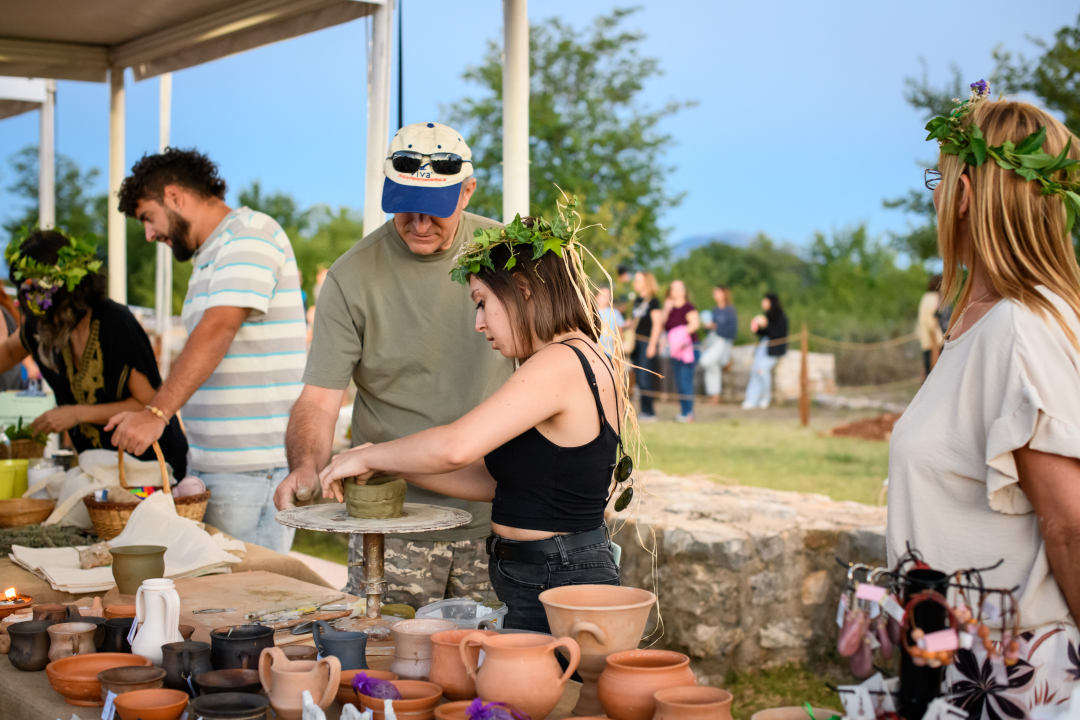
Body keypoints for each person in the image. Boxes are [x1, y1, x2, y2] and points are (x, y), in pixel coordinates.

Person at [316, 206, 634, 633]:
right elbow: (496, 481)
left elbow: (456, 446)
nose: (479, 324)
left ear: (521, 288)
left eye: (483, 303)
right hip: (541, 571)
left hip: (557, 577)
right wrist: (384, 463)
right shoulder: (572, 355)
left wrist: (370, 453)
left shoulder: (560, 362)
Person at [889, 88, 1080, 717]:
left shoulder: (1019, 330)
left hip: (1013, 675)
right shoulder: (977, 317)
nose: (936, 196)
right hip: (949, 653)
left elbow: (1070, 525)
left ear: (968, 195)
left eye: (939, 180)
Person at [273, 122, 514, 607]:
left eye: (435, 210)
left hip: (499, 516)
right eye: (406, 206)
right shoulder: (351, 276)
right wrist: (305, 465)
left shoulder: (508, 256)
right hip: (390, 521)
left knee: (495, 670)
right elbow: (320, 400)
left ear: (467, 191)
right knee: (382, 663)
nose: (420, 223)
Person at [106, 148, 307, 553]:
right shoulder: (211, 254)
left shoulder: (250, 234)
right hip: (221, 468)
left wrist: (156, 413)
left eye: (148, 216)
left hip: (252, 471)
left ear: (175, 196)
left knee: (249, 603)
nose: (148, 234)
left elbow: (219, 328)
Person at [0, 230, 188, 474]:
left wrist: (77, 414)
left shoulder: (115, 323)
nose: (32, 306)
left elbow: (149, 403)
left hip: (153, 470)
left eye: (36, 293)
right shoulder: (41, 326)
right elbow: (7, 351)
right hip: (98, 471)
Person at [742, 293, 788, 409]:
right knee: (755, 371)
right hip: (763, 348)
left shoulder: (781, 317)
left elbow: (778, 334)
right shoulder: (767, 315)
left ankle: (765, 398)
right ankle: (752, 399)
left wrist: (766, 325)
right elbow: (765, 333)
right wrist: (757, 328)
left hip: (773, 350)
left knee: (762, 370)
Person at [662, 280, 699, 422]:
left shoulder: (688, 307)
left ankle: (689, 413)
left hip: (687, 349)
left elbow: (694, 324)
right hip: (675, 350)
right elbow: (663, 325)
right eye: (673, 289)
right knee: (679, 381)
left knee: (686, 381)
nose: (676, 292)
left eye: (679, 289)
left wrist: (679, 336)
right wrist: (666, 308)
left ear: (684, 291)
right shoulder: (670, 309)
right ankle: (684, 411)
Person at [629, 272, 662, 421]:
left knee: (644, 378)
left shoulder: (654, 302)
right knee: (638, 377)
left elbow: (657, 324)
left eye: (638, 280)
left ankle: (650, 411)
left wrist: (652, 344)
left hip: (646, 342)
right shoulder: (637, 300)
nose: (634, 283)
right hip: (635, 342)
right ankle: (644, 410)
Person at [698, 285, 736, 403]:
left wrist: (716, 327)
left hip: (722, 342)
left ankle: (726, 361)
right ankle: (715, 396)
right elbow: (709, 328)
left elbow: (732, 331)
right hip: (712, 341)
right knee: (712, 368)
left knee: (705, 361)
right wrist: (707, 327)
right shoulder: (715, 310)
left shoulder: (730, 310)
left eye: (717, 292)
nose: (715, 294)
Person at [917, 274, 944, 378]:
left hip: (926, 340)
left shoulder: (925, 297)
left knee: (928, 371)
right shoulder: (933, 298)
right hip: (933, 339)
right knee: (934, 373)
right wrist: (935, 339)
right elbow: (931, 320)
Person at [596, 287, 624, 357]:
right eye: (603, 294)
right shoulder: (590, 313)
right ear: (596, 297)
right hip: (594, 350)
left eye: (608, 295)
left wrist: (619, 349)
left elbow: (619, 333)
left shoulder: (615, 313)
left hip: (609, 352)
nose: (606, 297)